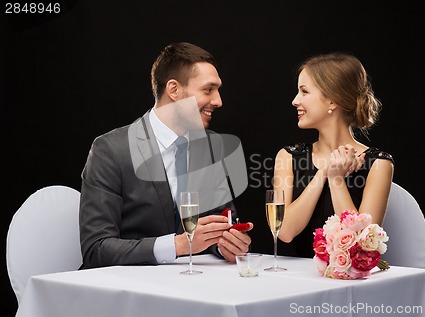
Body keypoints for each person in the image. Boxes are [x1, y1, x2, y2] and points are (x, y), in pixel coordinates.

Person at [79, 42, 253, 269]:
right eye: (208, 90)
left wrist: (226, 245)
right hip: (129, 292)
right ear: (174, 90)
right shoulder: (110, 150)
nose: (218, 101)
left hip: (196, 288)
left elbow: (221, 223)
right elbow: (96, 249)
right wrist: (178, 245)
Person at [273, 52, 394, 258]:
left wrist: (337, 179)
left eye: (304, 92)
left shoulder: (379, 164)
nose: (295, 101)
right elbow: (284, 231)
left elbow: (363, 242)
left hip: (351, 284)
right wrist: (324, 173)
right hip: (299, 279)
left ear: (332, 101)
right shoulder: (287, 156)